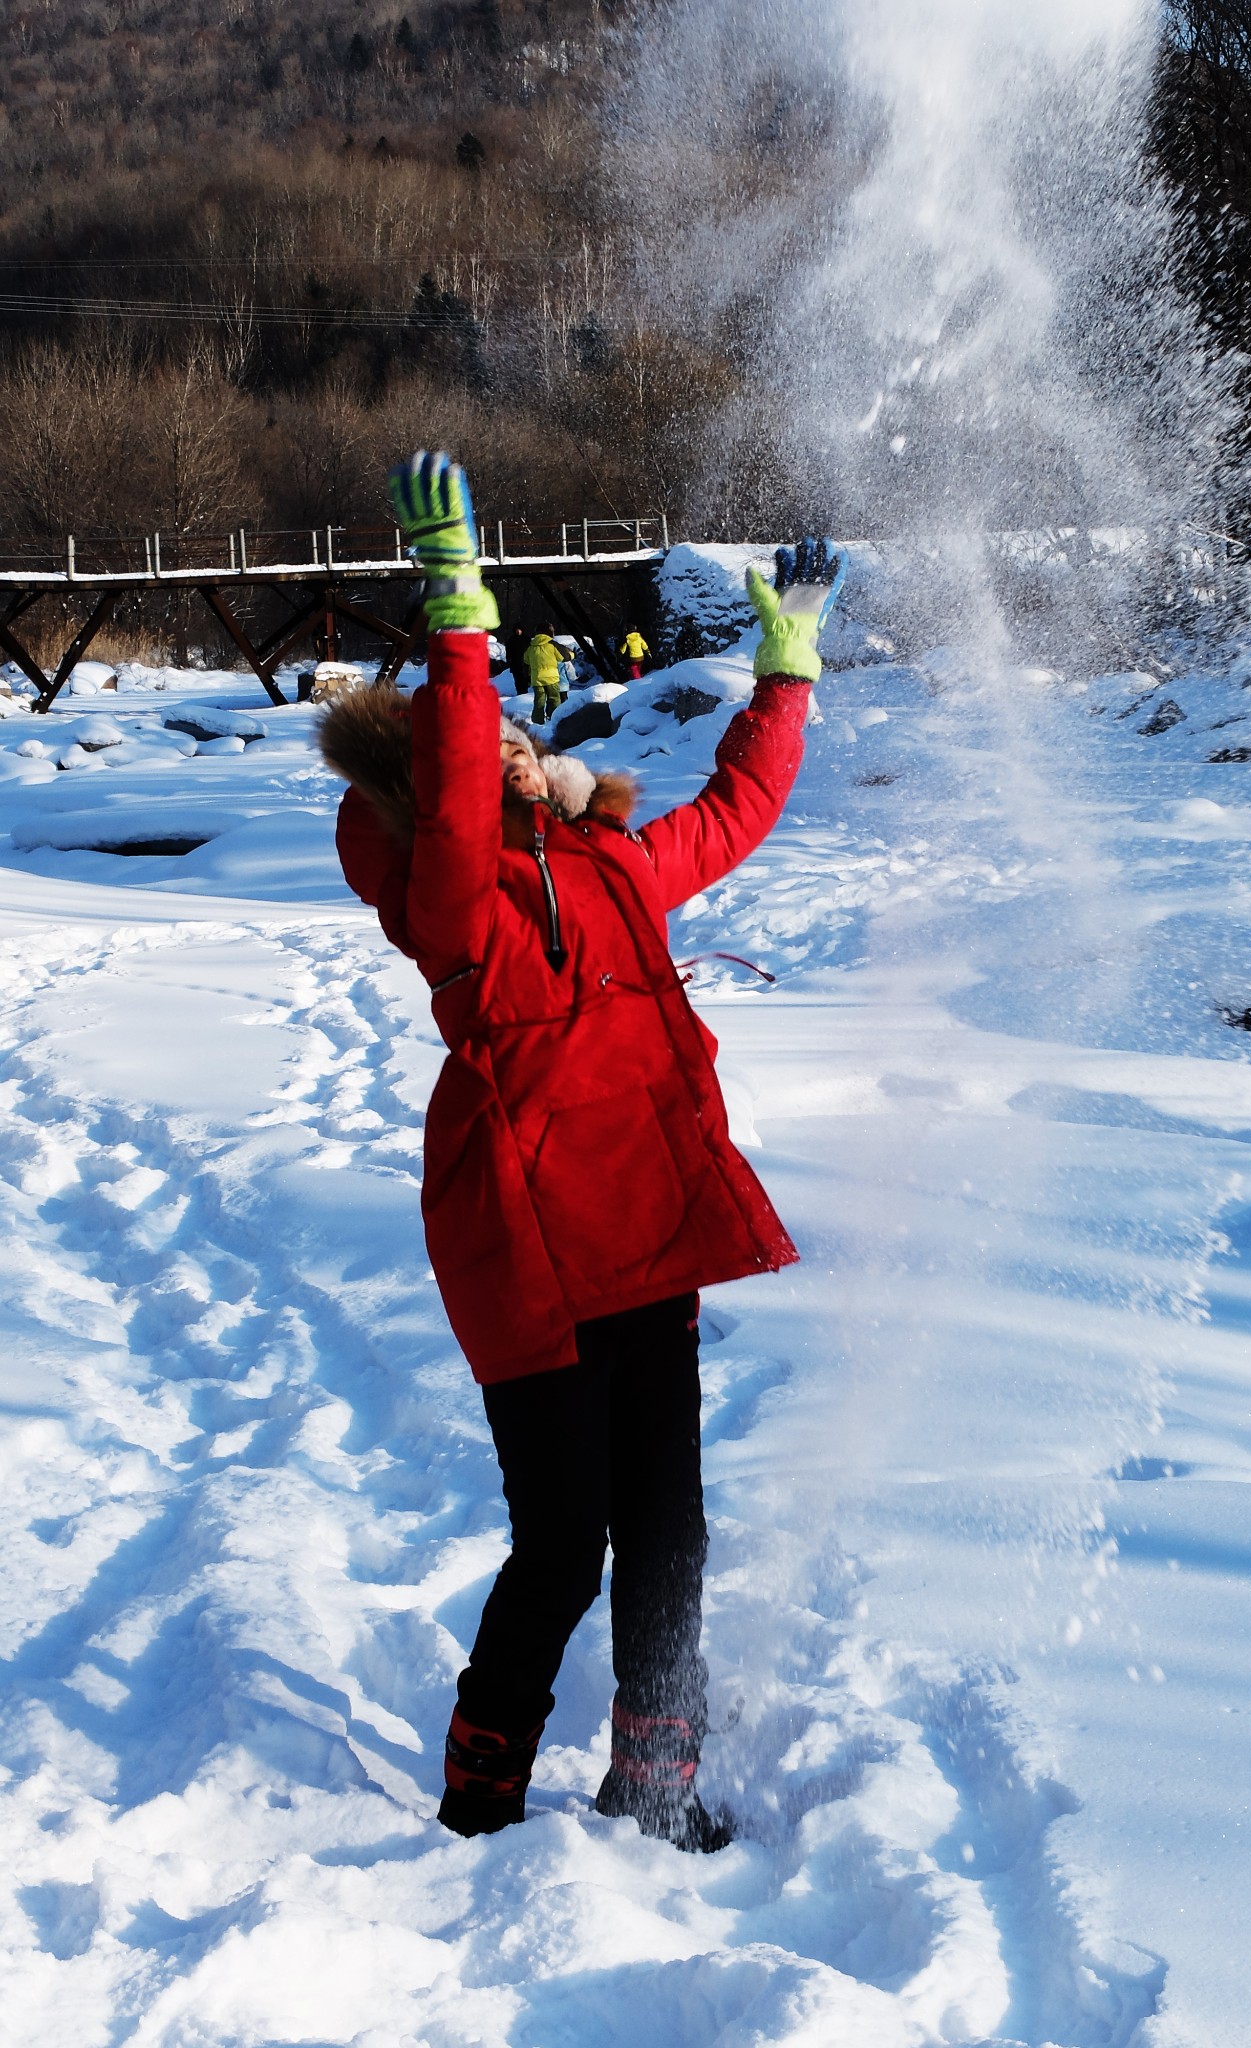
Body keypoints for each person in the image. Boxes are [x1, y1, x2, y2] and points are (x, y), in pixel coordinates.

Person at [320, 450, 843, 1853]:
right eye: (469, 738)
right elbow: (441, 790)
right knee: (562, 1546)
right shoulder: (454, 906)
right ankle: (482, 1793)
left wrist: (784, 673)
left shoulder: (604, 864)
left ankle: (657, 1778)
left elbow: (734, 813)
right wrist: (456, 614)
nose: (496, 746)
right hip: (533, 1257)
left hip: (648, 1234)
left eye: (505, 734)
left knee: (668, 1532)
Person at [523, 622, 567, 725]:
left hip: (537, 679)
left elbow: (526, 660)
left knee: (539, 701)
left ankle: (537, 723)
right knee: (554, 699)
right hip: (552, 678)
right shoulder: (552, 644)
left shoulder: (531, 646)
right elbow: (562, 657)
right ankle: (553, 720)